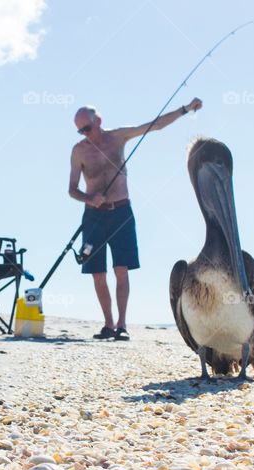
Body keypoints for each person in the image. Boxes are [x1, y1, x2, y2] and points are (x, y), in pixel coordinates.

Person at [68, 99, 203, 340]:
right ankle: (107, 324)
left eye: (87, 128)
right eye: (80, 131)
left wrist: (185, 109)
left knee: (121, 269)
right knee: (97, 272)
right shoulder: (79, 151)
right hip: (93, 217)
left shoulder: (119, 137)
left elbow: (155, 125)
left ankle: (121, 325)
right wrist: (90, 198)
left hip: (121, 212)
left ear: (98, 121)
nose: (85, 134)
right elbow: (72, 189)